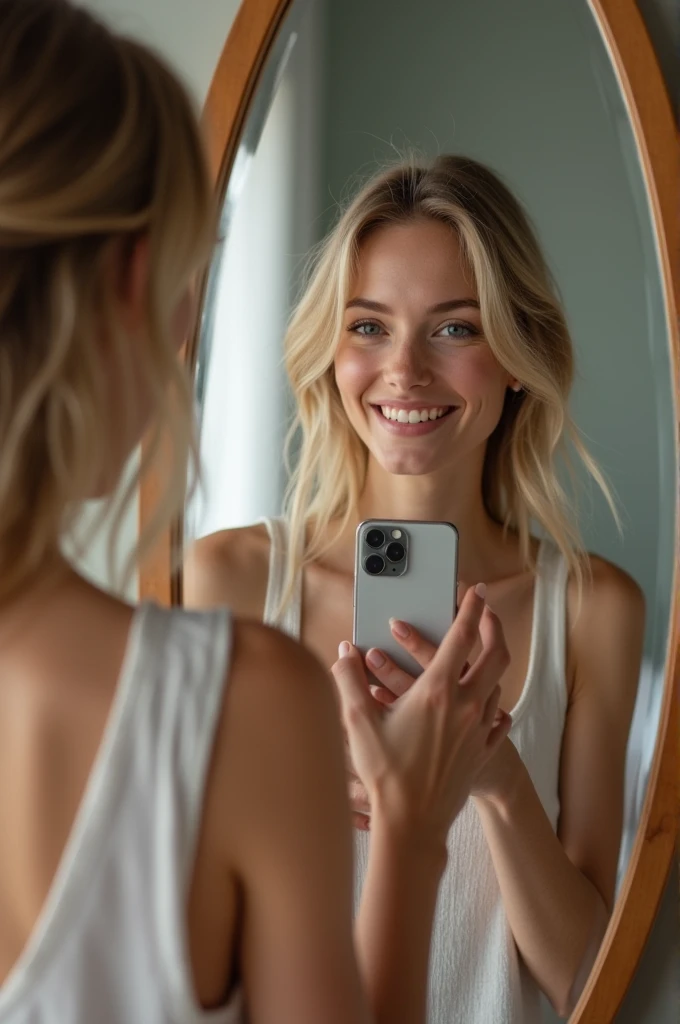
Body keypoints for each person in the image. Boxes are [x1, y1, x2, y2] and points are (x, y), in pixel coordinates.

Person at [0, 3, 513, 1024]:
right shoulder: (237, 697)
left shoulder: (595, 605)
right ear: (136, 280)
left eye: (452, 326)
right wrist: (409, 833)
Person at [186, 154, 646, 1021]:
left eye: (454, 328)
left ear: (518, 357)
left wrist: (493, 773)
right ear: (329, 351)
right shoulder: (231, 581)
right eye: (367, 327)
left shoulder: (592, 611)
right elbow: (181, 925)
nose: (403, 370)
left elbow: (591, 982)